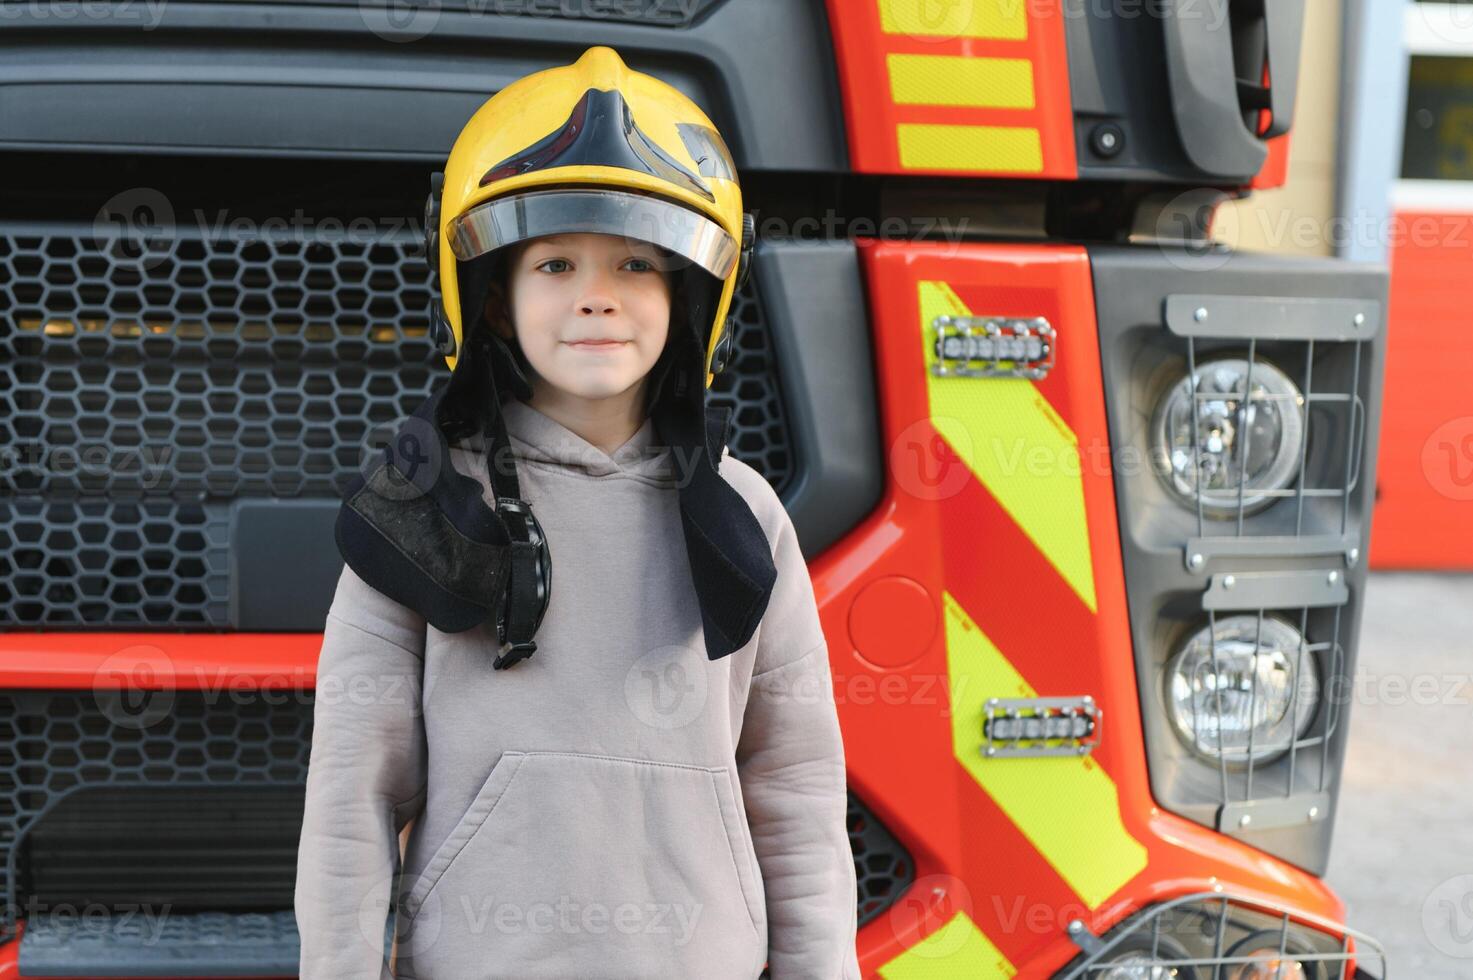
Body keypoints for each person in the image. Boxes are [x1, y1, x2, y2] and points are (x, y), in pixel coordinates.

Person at [294, 45, 861, 980]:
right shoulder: (422, 509)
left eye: (636, 263)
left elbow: (794, 790)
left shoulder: (744, 517)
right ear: (494, 301)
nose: (596, 295)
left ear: (687, 299)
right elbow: (352, 794)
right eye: (555, 262)